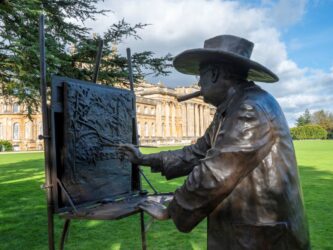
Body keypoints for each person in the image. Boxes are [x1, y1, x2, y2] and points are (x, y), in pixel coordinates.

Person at [118, 35, 310, 249]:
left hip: (261, 238)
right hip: (247, 231)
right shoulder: (231, 108)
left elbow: (215, 172)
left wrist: (173, 209)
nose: (199, 84)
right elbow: (196, 153)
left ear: (215, 74)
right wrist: (144, 158)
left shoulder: (249, 108)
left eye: (201, 76)